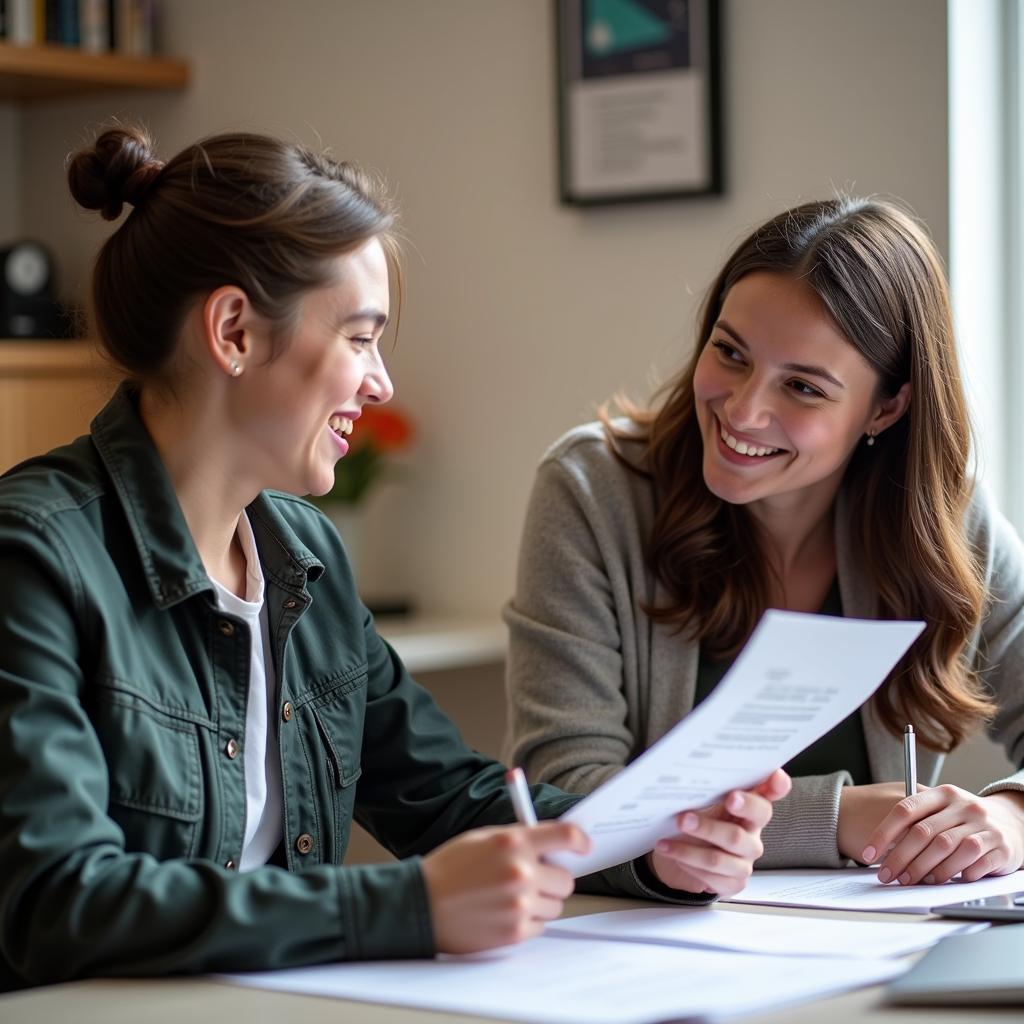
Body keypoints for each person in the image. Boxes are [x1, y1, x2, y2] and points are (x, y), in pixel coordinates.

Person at [0, 124, 790, 990]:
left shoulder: (304, 557)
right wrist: (404, 906)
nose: (382, 384)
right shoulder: (35, 557)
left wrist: (654, 841)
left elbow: (446, 797)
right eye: (359, 338)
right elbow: (56, 900)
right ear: (232, 331)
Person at [505, 197, 1024, 890]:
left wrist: (1013, 817)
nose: (744, 411)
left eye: (804, 387)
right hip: (641, 943)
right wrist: (834, 817)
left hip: (864, 944)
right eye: (730, 353)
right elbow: (564, 791)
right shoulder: (593, 490)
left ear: (887, 407)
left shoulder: (941, 517)